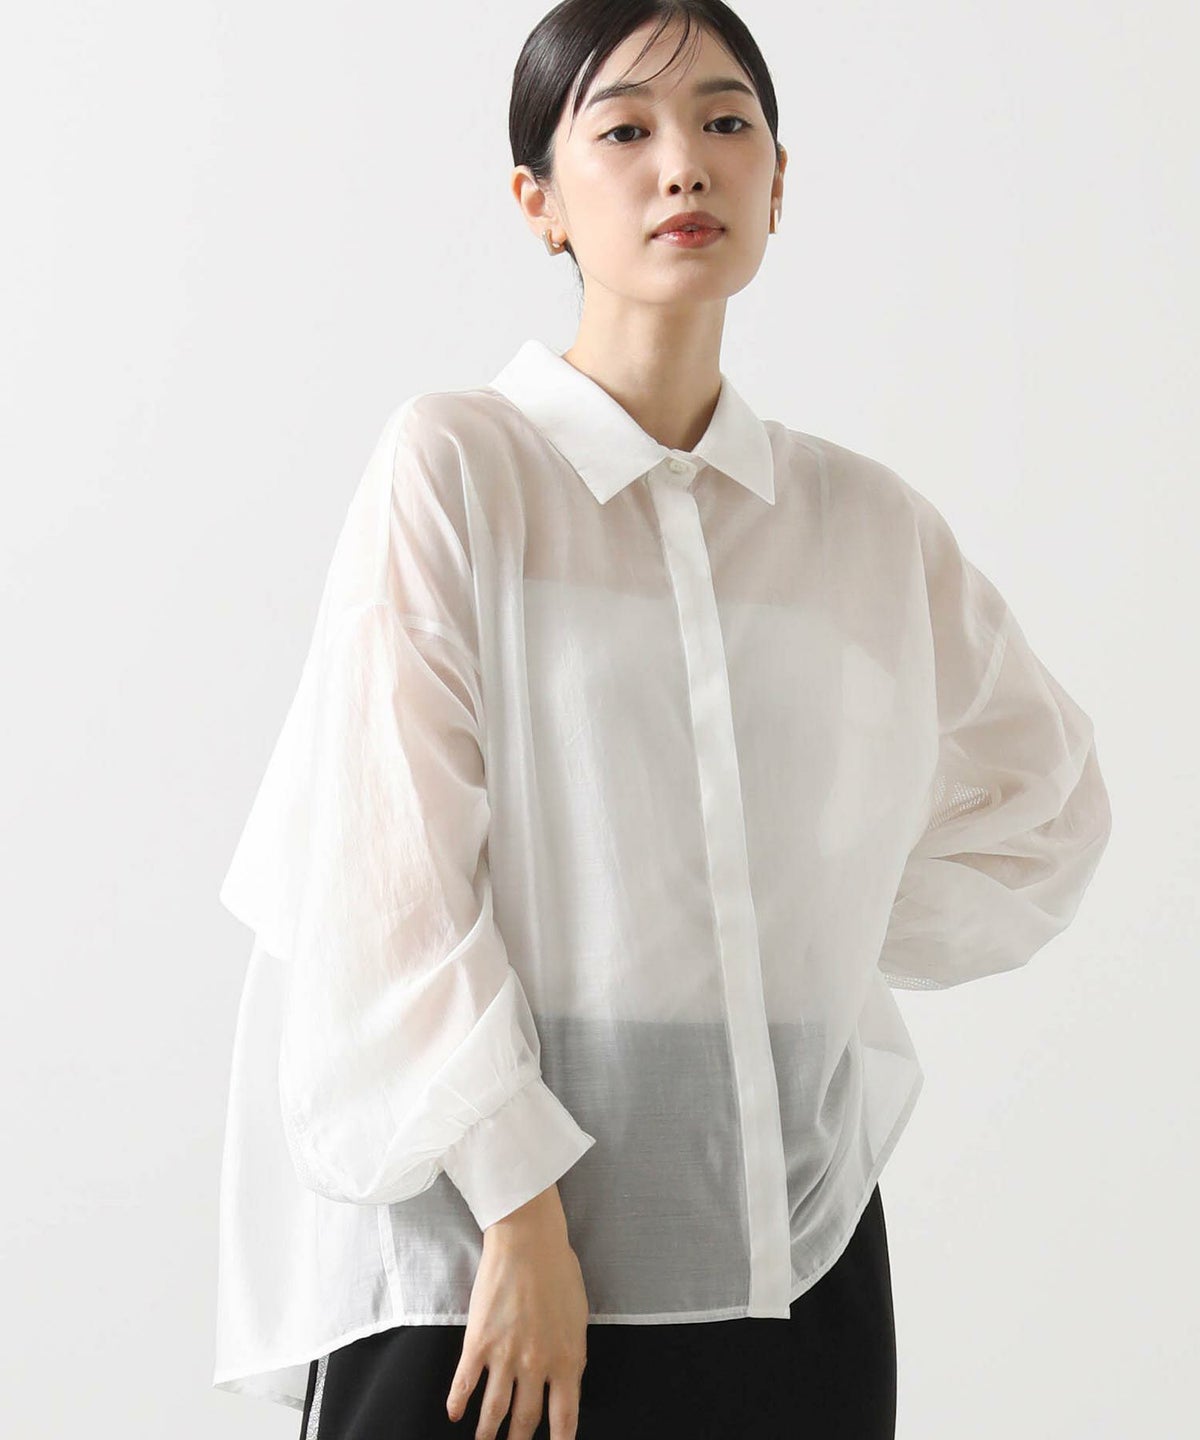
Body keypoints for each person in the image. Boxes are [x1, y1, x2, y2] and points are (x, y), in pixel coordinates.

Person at [210, 3, 1113, 1438]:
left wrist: (791, 923)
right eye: (624, 129)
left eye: (724, 121)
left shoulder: (860, 522)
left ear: (778, 179)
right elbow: (387, 884)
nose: (682, 162)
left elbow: (1045, 806)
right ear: (540, 202)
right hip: (487, 1258)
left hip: (785, 1250)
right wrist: (520, 1211)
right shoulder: (460, 468)